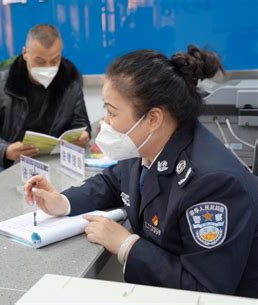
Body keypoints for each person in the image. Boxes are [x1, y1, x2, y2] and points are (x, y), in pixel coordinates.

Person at [24, 45, 258, 297]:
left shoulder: (212, 183)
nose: (105, 123)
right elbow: (112, 182)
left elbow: (204, 290)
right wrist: (63, 202)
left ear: (153, 119)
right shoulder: (149, 145)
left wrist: (127, 245)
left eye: (112, 113)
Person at [0, 24, 91, 194]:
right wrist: (5, 150)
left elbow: (80, 122)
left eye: (54, 61)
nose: (47, 67)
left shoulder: (70, 81)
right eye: (39, 61)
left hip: (46, 163)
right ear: (25, 53)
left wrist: (82, 135)